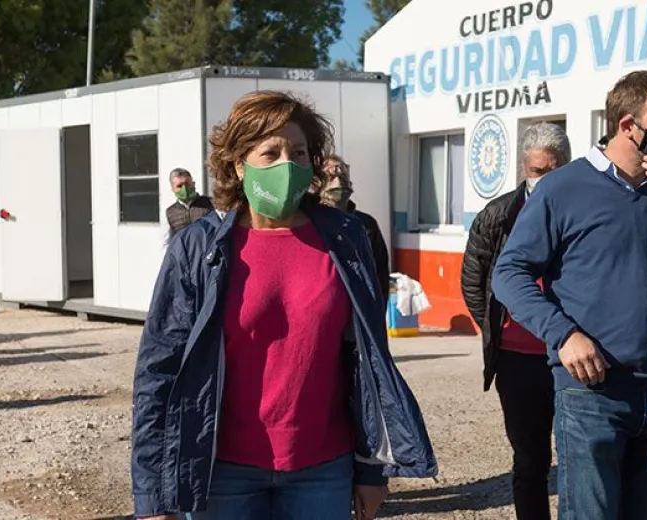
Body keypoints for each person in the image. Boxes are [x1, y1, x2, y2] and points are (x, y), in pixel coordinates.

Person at [130, 90, 437, 520]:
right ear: (239, 165)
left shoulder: (347, 239)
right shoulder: (197, 250)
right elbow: (159, 369)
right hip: (222, 471)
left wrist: (372, 469)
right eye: (270, 153)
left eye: (298, 152)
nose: (287, 165)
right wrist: (152, 493)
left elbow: (369, 361)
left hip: (323, 469)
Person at [491, 71, 647, 520]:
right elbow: (508, 274)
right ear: (628, 125)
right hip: (592, 393)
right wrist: (564, 335)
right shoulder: (562, 188)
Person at [460, 122, 571, 520]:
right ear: (524, 169)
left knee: (579, 457)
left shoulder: (584, 207)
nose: (545, 180)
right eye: (538, 171)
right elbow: (474, 280)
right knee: (530, 458)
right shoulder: (499, 215)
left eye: (554, 171)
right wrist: (496, 331)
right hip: (518, 359)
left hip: (574, 355)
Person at [317, 155, 391, 305]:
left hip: (361, 306)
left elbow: (380, 274)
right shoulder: (311, 223)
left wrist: (377, 310)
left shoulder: (366, 224)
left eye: (342, 177)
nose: (338, 183)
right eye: (331, 178)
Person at [165, 168, 214, 239]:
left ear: (193, 184)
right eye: (179, 186)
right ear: (173, 189)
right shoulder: (170, 212)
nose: (184, 189)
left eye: (187, 184)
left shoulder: (211, 203)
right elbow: (166, 242)